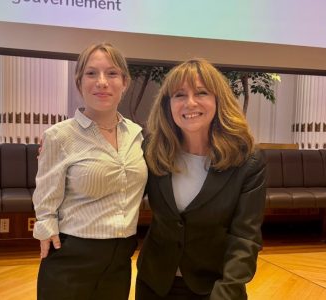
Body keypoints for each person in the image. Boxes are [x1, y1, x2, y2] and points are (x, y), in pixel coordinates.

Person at [136, 58, 266, 300]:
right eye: (179, 95)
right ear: (168, 104)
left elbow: (245, 239)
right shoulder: (152, 151)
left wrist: (226, 290)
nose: (190, 103)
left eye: (201, 93)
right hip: (154, 283)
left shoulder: (247, 161)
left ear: (218, 100)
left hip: (216, 287)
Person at [33, 42, 147, 300]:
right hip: (73, 257)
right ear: (79, 82)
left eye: (112, 73)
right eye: (91, 73)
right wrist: (45, 228)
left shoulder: (137, 135)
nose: (102, 82)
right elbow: (45, 197)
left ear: (125, 83)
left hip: (120, 260)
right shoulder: (59, 136)